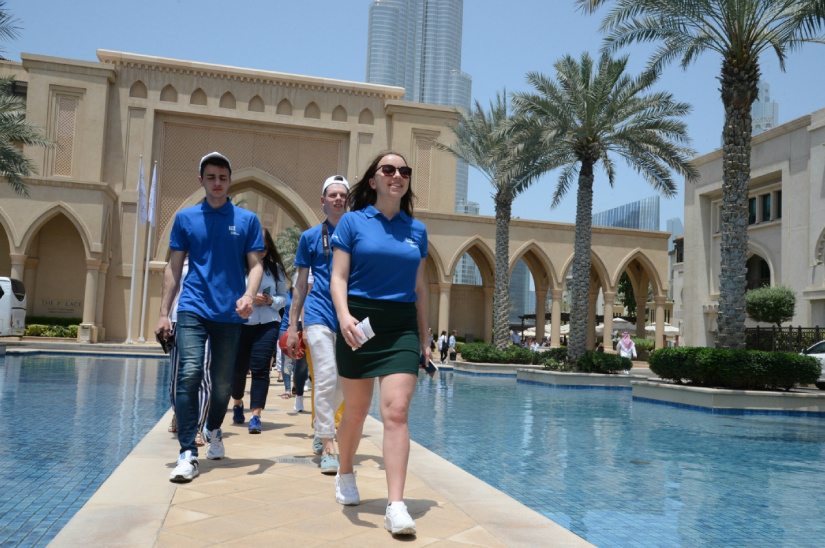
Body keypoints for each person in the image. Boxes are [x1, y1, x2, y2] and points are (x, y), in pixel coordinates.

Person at [330, 150, 429, 536]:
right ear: (373, 181)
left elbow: (420, 288)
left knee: (397, 412)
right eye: (388, 169)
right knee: (355, 413)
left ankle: (396, 505)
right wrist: (343, 316)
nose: (397, 175)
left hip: (400, 327)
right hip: (358, 324)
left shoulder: (416, 230)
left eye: (404, 170)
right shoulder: (353, 222)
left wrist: (425, 338)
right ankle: (345, 471)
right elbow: (339, 277)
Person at [156, 151, 264, 483]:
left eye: (223, 177)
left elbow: (256, 265)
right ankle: (187, 451)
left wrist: (248, 295)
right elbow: (174, 267)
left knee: (222, 384)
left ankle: (214, 428)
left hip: (230, 313)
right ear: (201, 180)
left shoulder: (247, 220)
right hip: (192, 307)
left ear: (229, 181)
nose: (217, 183)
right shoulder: (185, 218)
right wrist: (163, 313)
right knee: (189, 373)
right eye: (211, 177)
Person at [287, 174, 350, 474]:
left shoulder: (357, 235)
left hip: (348, 317)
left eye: (343, 195)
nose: (338, 199)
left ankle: (320, 426)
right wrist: (292, 326)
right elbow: (300, 285)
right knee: (325, 377)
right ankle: (328, 445)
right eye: (332, 195)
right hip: (318, 315)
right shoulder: (310, 237)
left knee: (346, 383)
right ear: (323, 201)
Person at [231, 228, 287, 434]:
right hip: (242, 324)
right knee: (238, 369)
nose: (261, 250)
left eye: (264, 247)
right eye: (256, 247)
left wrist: (271, 301)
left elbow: (284, 297)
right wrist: (249, 298)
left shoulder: (275, 269)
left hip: (268, 323)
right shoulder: (238, 266)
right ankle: (237, 403)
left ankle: (256, 416)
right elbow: (230, 293)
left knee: (261, 369)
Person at [167, 256, 211, 448]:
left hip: (209, 319)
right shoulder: (180, 260)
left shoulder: (214, 256)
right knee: (177, 375)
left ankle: (197, 426)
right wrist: (164, 316)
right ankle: (179, 413)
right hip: (179, 319)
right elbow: (172, 287)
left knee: (204, 374)